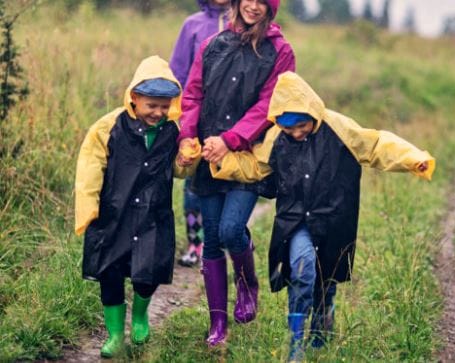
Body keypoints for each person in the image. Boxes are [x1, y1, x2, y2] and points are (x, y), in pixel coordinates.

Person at [208, 71, 436, 362]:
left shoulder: (338, 126)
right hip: (296, 220)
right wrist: (222, 162)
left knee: (327, 276)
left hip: (334, 218)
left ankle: (322, 322)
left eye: (301, 126)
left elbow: (376, 145)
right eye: (289, 129)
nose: (296, 133)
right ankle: (296, 344)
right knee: (302, 271)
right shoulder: (278, 135)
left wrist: (413, 159)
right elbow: (255, 167)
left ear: (312, 112)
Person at [175, 0, 295, 347]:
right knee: (211, 238)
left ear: (271, 9)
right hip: (209, 155)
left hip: (247, 158)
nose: (253, 7)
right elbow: (193, 95)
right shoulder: (212, 45)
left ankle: (248, 284)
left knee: (230, 230)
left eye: (262, 2)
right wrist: (187, 137)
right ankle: (218, 324)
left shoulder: (280, 51)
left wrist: (231, 140)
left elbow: (270, 104)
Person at [74, 56, 194, 358]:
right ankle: (115, 335)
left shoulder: (173, 131)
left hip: (154, 214)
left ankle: (140, 315)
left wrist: (186, 160)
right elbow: (90, 165)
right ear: (134, 97)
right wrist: (88, 207)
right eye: (151, 105)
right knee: (110, 272)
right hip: (114, 212)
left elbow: (179, 172)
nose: (158, 112)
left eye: (164, 106)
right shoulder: (109, 126)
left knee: (148, 272)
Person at [170, 0, 230, 268]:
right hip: (195, 117)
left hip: (231, 120)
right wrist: (178, 117)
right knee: (193, 183)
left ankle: (221, 241)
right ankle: (196, 244)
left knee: (228, 180)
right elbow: (178, 73)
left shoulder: (243, 23)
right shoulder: (191, 25)